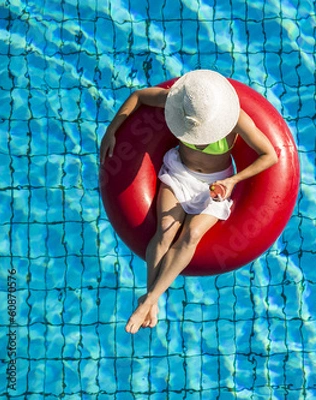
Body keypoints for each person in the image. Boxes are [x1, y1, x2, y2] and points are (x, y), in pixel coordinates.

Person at [99, 70, 278, 334]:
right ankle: (152, 300)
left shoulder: (236, 118)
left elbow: (270, 155)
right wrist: (112, 129)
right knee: (165, 233)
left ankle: (149, 300)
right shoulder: (177, 102)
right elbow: (138, 96)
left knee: (192, 234)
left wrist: (233, 181)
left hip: (216, 183)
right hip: (179, 173)